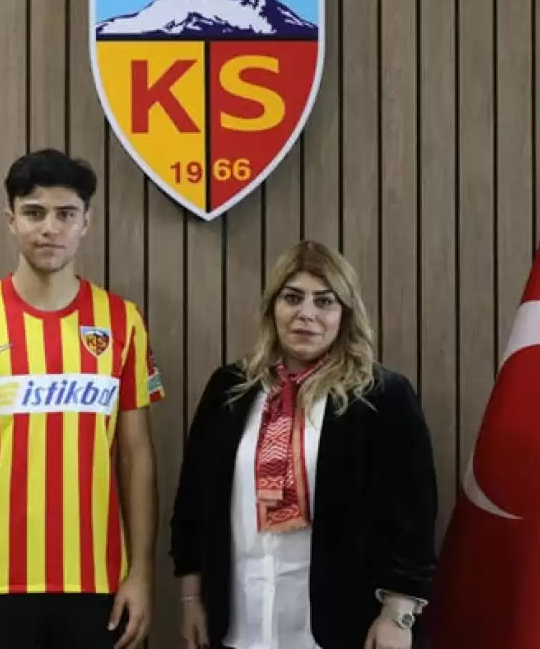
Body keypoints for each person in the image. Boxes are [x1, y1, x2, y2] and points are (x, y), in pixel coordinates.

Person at [0, 148, 165, 649]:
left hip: (99, 584)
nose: (50, 228)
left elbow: (136, 456)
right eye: (34, 213)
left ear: (86, 222)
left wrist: (141, 573)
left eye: (65, 214)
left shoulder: (123, 322)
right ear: (10, 219)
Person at [169, 240, 439, 649]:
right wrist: (191, 599)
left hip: (341, 626)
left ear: (345, 313)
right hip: (240, 621)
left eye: (324, 301)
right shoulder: (230, 389)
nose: (306, 314)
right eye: (292, 298)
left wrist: (397, 615)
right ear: (272, 308)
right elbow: (192, 502)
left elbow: (413, 518)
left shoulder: (382, 395)